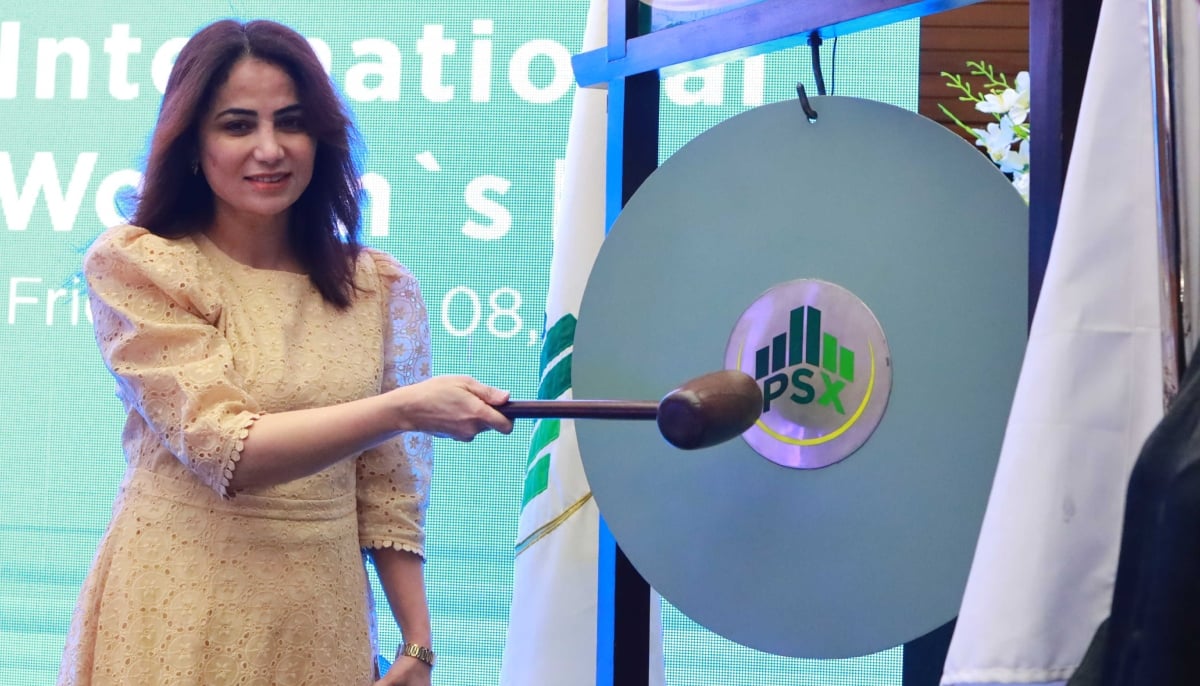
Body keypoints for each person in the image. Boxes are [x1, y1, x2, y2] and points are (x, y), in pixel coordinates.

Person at [58, 18, 513, 686]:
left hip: (320, 618)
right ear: (192, 144)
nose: (269, 149)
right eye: (238, 125)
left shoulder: (377, 287)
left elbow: (386, 489)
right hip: (176, 610)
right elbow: (223, 448)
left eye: (291, 122)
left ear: (320, 139)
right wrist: (404, 408)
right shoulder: (138, 264)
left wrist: (418, 646)